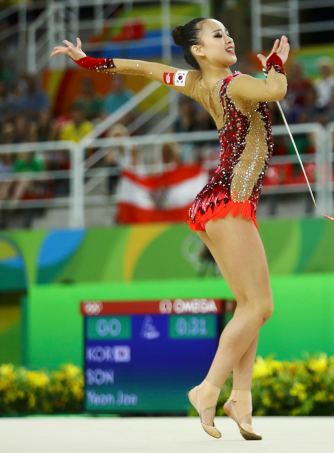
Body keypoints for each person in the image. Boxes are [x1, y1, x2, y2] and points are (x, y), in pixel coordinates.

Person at [50, 18, 289, 441]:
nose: (228, 37)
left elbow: (144, 69)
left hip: (218, 203)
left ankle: (242, 399)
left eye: (227, 32)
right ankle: (209, 388)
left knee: (249, 306)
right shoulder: (234, 85)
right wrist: (275, 63)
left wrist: (88, 61)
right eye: (217, 35)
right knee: (259, 308)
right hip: (229, 202)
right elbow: (274, 91)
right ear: (198, 49)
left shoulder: (195, 83)